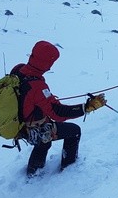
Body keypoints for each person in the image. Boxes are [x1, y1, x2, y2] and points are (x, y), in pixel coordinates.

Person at [12, 40, 107, 177]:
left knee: (44, 142)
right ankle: (68, 169)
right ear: (45, 62)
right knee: (74, 131)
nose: (50, 67)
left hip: (20, 125)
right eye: (51, 63)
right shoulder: (37, 85)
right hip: (34, 128)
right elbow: (57, 113)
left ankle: (33, 172)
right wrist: (86, 107)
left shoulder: (18, 70)